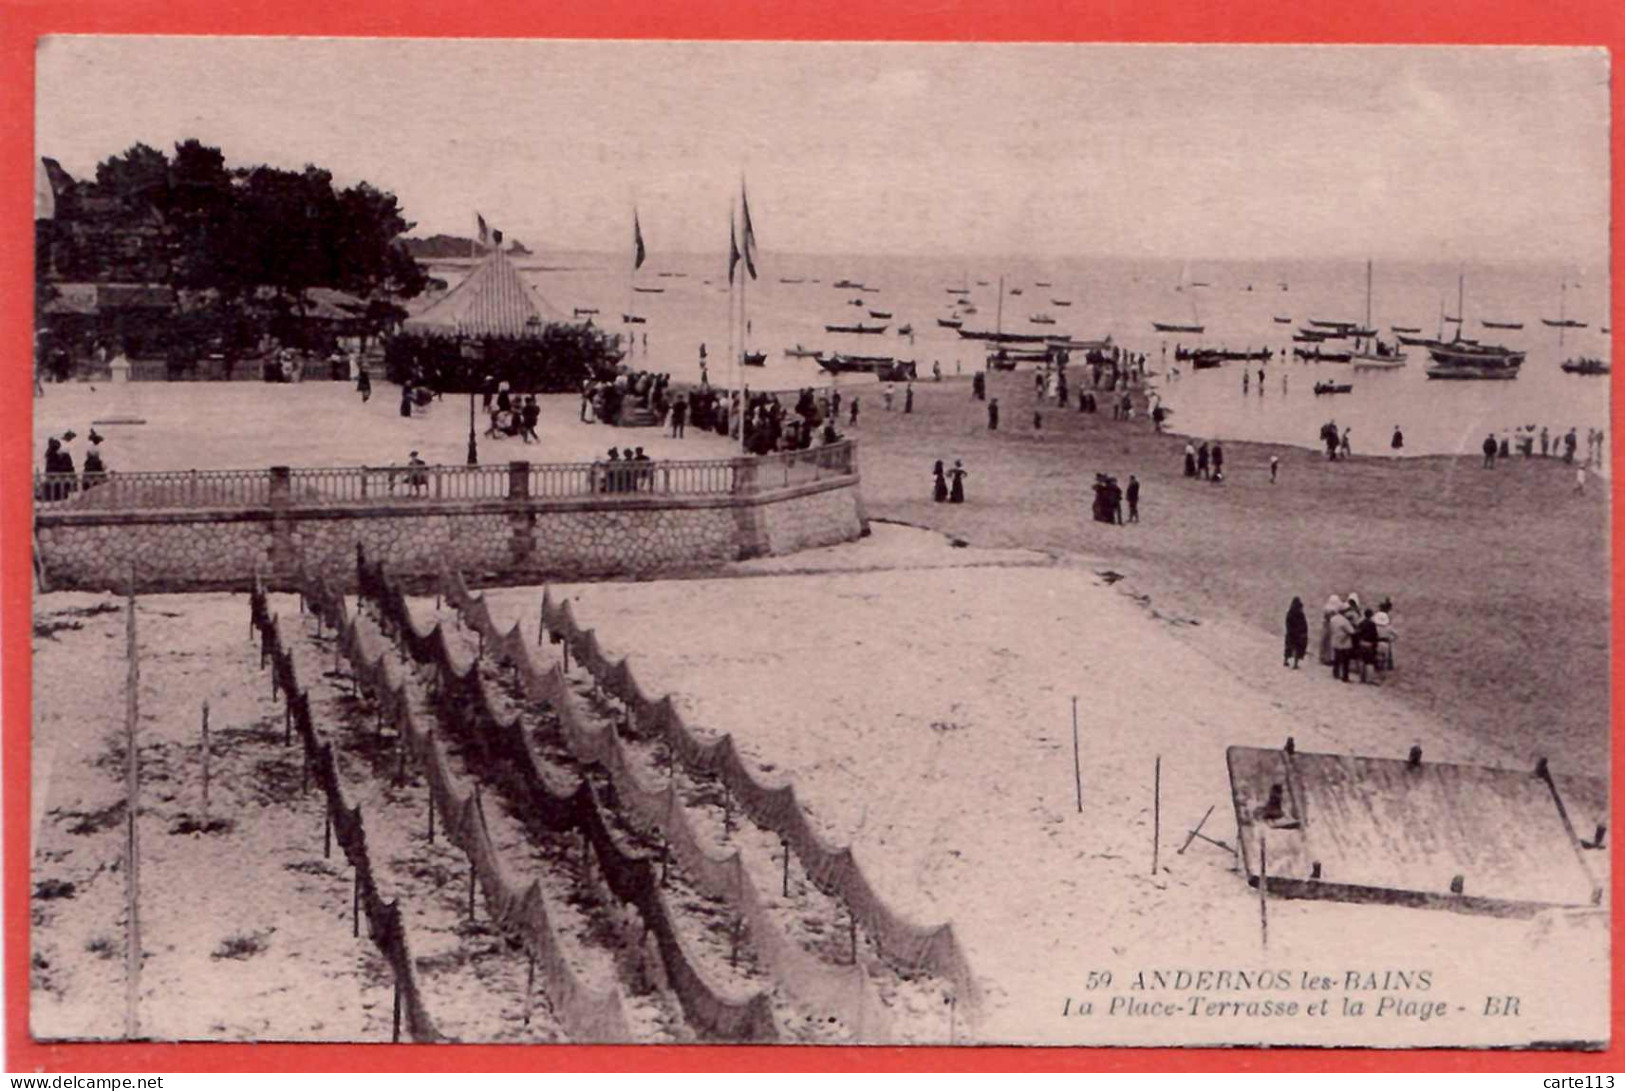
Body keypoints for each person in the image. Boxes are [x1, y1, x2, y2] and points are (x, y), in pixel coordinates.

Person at [1329, 607, 1356, 682]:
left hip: (1335, 640)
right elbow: (1352, 631)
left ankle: (1335, 673)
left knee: (1336, 658)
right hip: (1344, 642)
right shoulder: (1344, 621)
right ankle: (1345, 677)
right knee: (1345, 661)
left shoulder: (1333, 619)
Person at [1355, 609, 1381, 683]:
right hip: (1369, 644)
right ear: (1371, 615)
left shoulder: (1361, 623)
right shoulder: (1372, 624)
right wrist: (1375, 645)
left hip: (1362, 643)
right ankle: (1369, 679)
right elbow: (1375, 635)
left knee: (1362, 661)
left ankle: (1361, 678)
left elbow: (1358, 633)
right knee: (1369, 662)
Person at [1284, 597, 1309, 669]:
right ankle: (1295, 664)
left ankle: (1286, 660)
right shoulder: (1301, 614)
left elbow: (1287, 623)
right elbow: (1304, 624)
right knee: (1298, 649)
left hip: (1290, 633)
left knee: (1288, 647)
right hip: (1298, 634)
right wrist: (1303, 633)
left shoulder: (1290, 612)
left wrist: (1289, 631)